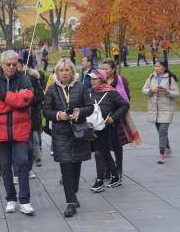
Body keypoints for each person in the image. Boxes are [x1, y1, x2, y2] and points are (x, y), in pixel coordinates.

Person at [0, 50, 35, 215]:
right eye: (8, 64)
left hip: (20, 129)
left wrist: (4, 96)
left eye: (14, 64)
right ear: (2, 64)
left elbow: (27, 100)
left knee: (22, 162)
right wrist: (15, 101)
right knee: (5, 166)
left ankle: (25, 201)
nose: (12, 67)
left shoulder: (24, 78)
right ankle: (11, 199)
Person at [43, 59, 93, 218]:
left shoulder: (81, 86)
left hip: (78, 132)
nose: (64, 73)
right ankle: (70, 202)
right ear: (57, 72)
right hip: (61, 133)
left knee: (76, 165)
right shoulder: (52, 89)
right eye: (61, 70)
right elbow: (46, 111)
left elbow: (90, 107)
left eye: (67, 70)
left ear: (72, 71)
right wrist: (59, 115)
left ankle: (74, 193)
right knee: (66, 167)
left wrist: (80, 111)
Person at [88, 70, 129, 193]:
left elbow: (124, 105)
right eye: (91, 79)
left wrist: (113, 117)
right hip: (92, 128)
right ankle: (116, 177)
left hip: (106, 128)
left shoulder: (111, 92)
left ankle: (99, 181)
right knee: (104, 153)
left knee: (99, 153)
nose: (92, 81)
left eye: (95, 79)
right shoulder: (89, 93)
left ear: (101, 79)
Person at [142, 60, 180, 164]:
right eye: (155, 66)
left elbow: (176, 94)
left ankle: (161, 154)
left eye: (158, 66)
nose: (156, 68)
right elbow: (144, 89)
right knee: (160, 130)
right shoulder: (151, 77)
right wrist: (151, 90)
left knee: (163, 131)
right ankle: (167, 147)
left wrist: (167, 91)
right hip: (154, 109)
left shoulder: (170, 78)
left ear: (164, 67)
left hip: (167, 109)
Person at [102, 59, 131, 178]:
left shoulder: (120, 81)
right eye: (102, 69)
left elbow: (127, 99)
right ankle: (108, 169)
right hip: (103, 117)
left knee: (117, 144)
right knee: (104, 145)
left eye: (106, 69)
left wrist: (116, 115)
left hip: (116, 116)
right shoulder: (101, 81)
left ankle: (118, 167)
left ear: (113, 69)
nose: (104, 71)